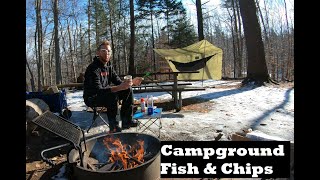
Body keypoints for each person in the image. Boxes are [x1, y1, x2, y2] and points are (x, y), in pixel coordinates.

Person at [83, 40, 143, 133]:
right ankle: (114, 127)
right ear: (98, 53)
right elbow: (98, 90)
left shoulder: (109, 66)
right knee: (112, 95)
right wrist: (119, 87)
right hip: (92, 97)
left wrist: (131, 83)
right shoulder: (93, 68)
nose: (107, 53)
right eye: (104, 50)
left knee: (128, 90)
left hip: (104, 95)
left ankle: (127, 121)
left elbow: (118, 82)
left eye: (109, 51)